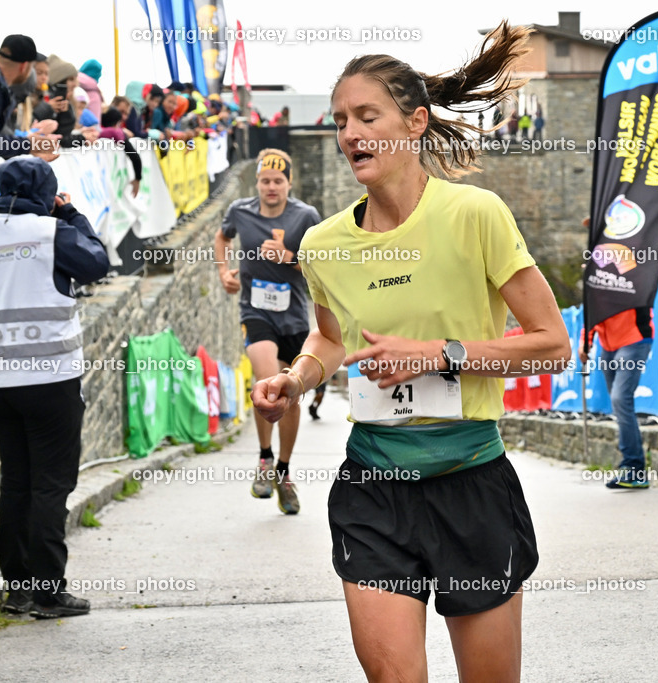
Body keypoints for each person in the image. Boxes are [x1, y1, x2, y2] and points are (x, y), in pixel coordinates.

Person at [251, 22, 570, 682]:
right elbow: (331, 338)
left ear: (415, 122)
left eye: (368, 116)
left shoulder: (474, 215)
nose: (350, 134)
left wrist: (439, 353)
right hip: (375, 488)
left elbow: (552, 345)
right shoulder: (324, 245)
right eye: (341, 120)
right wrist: (297, 375)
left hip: (471, 482)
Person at [0, 156, 109, 618]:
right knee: (51, 484)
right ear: (47, 192)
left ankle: (18, 589)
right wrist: (71, 214)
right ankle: (48, 591)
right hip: (50, 378)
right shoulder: (49, 232)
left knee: (17, 483)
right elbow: (96, 263)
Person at [214, 149, 322, 515]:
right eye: (265, 181)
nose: (271, 187)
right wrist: (223, 273)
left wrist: (289, 258)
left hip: (293, 317)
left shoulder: (305, 216)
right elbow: (222, 238)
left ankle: (284, 471)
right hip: (255, 311)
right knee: (267, 379)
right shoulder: (240, 212)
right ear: (256, 182)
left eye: (278, 181)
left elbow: (321, 265)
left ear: (289, 184)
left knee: (288, 391)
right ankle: (263, 459)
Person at [580, 306, 654, 489]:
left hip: (634, 339)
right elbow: (592, 306)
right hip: (608, 346)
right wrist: (585, 341)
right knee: (620, 405)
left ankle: (634, 466)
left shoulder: (633, 276)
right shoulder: (598, 278)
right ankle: (633, 469)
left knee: (620, 399)